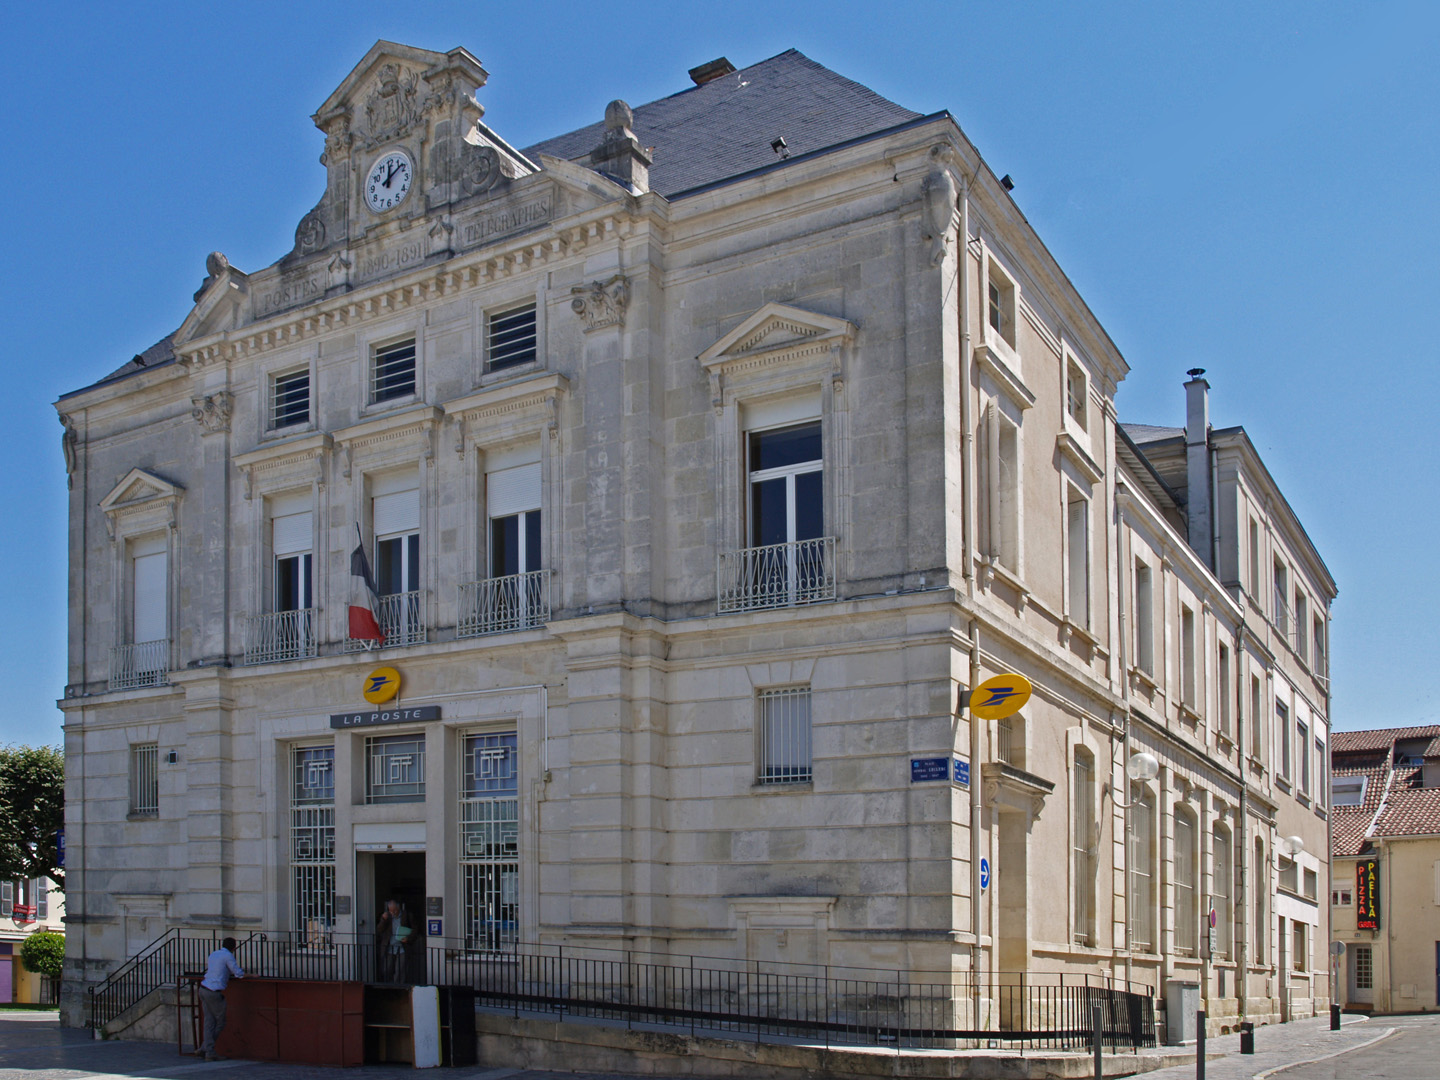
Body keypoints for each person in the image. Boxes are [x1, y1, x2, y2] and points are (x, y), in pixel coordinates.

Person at [198, 937, 244, 1060]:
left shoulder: (214, 954)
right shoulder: (228, 956)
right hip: (214, 992)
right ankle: (209, 1050)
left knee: (209, 1022)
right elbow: (238, 973)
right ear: (234, 948)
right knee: (220, 1021)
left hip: (203, 988)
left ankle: (205, 1048)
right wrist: (250, 974)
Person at [376, 899, 415, 983]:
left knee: (400, 970)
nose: (393, 913)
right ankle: (388, 986)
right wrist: (383, 919)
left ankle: (398, 988)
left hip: (402, 947)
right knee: (387, 969)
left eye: (395, 910)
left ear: (399, 908)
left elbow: (415, 929)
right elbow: (379, 930)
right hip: (389, 947)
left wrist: (408, 938)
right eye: (391, 911)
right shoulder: (387, 917)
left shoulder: (407, 915)